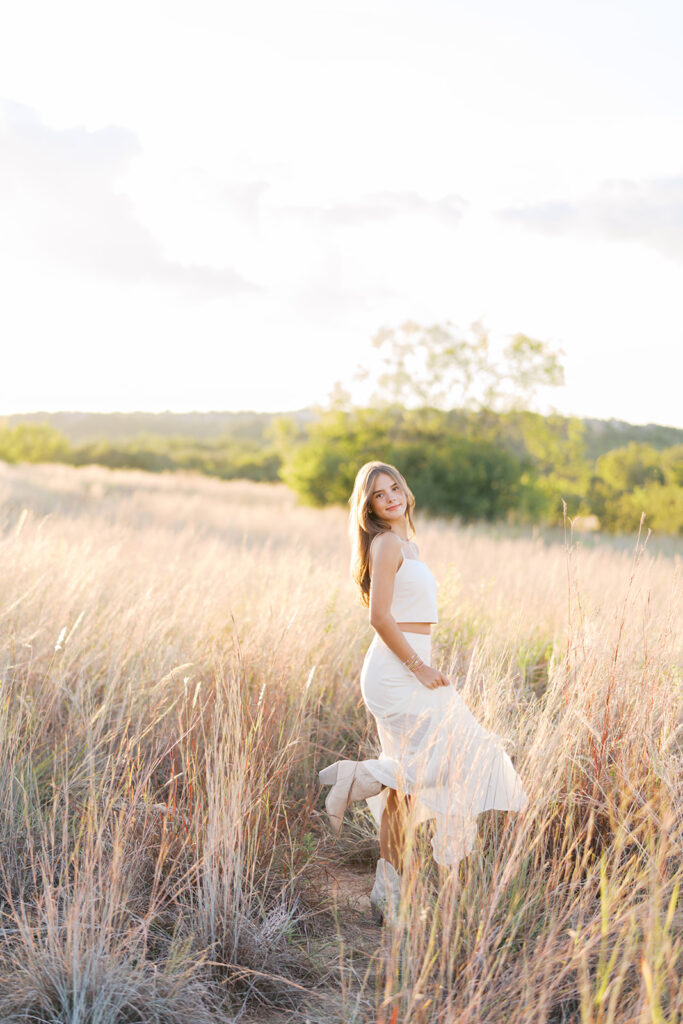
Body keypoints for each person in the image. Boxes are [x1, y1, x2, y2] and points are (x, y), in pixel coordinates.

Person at [318, 460, 529, 923]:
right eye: (379, 493)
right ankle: (357, 781)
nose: (391, 497)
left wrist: (421, 663)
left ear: (405, 490)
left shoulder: (408, 545)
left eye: (395, 487)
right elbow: (379, 617)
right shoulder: (388, 543)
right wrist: (418, 666)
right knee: (443, 764)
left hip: (407, 666)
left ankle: (387, 892)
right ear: (368, 506)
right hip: (397, 672)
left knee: (408, 783)